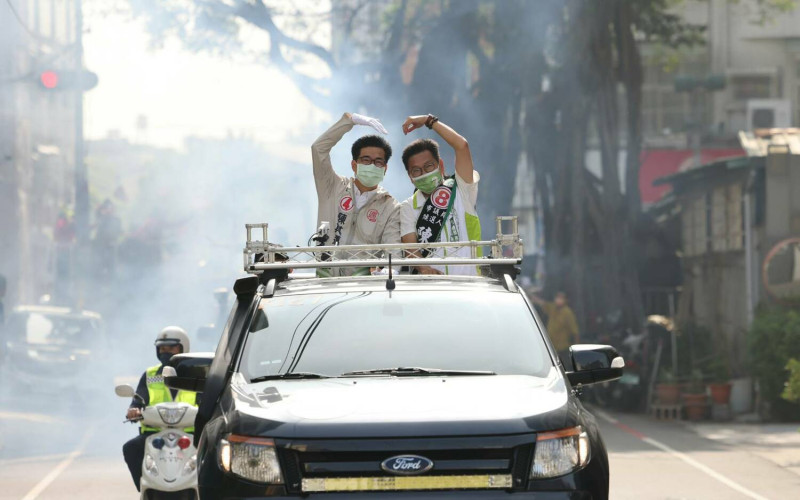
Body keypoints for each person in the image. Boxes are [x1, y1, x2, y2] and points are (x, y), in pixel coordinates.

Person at [311, 112, 402, 276]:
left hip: (361, 287)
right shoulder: (332, 186)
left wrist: (391, 269)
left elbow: (393, 247)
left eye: (378, 162)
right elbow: (318, 149)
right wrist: (349, 121)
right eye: (366, 160)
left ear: (385, 168)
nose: (372, 165)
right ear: (354, 165)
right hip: (324, 281)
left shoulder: (391, 206)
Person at [399, 114, 481, 275]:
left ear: (441, 166)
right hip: (433, 291)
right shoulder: (407, 207)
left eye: (429, 166)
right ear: (410, 177)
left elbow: (462, 146)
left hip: (470, 287)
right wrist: (425, 269)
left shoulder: (461, 189)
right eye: (416, 171)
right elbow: (410, 249)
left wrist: (428, 121)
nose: (424, 173)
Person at [122, 326, 198, 492]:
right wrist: (134, 410)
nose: (165, 351)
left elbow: (207, 399)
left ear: (183, 348)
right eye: (162, 348)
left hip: (192, 435)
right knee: (131, 448)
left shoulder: (195, 374)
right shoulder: (150, 375)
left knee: (218, 453)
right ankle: (144, 488)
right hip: (154, 435)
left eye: (171, 347)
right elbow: (138, 400)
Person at [530, 292, 580, 367]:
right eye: (557, 297)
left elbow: (575, 331)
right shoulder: (553, 308)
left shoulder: (567, 313)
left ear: (566, 300)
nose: (558, 300)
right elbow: (543, 303)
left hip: (563, 348)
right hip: (551, 347)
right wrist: (533, 297)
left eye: (561, 298)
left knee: (564, 366)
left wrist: (576, 349)